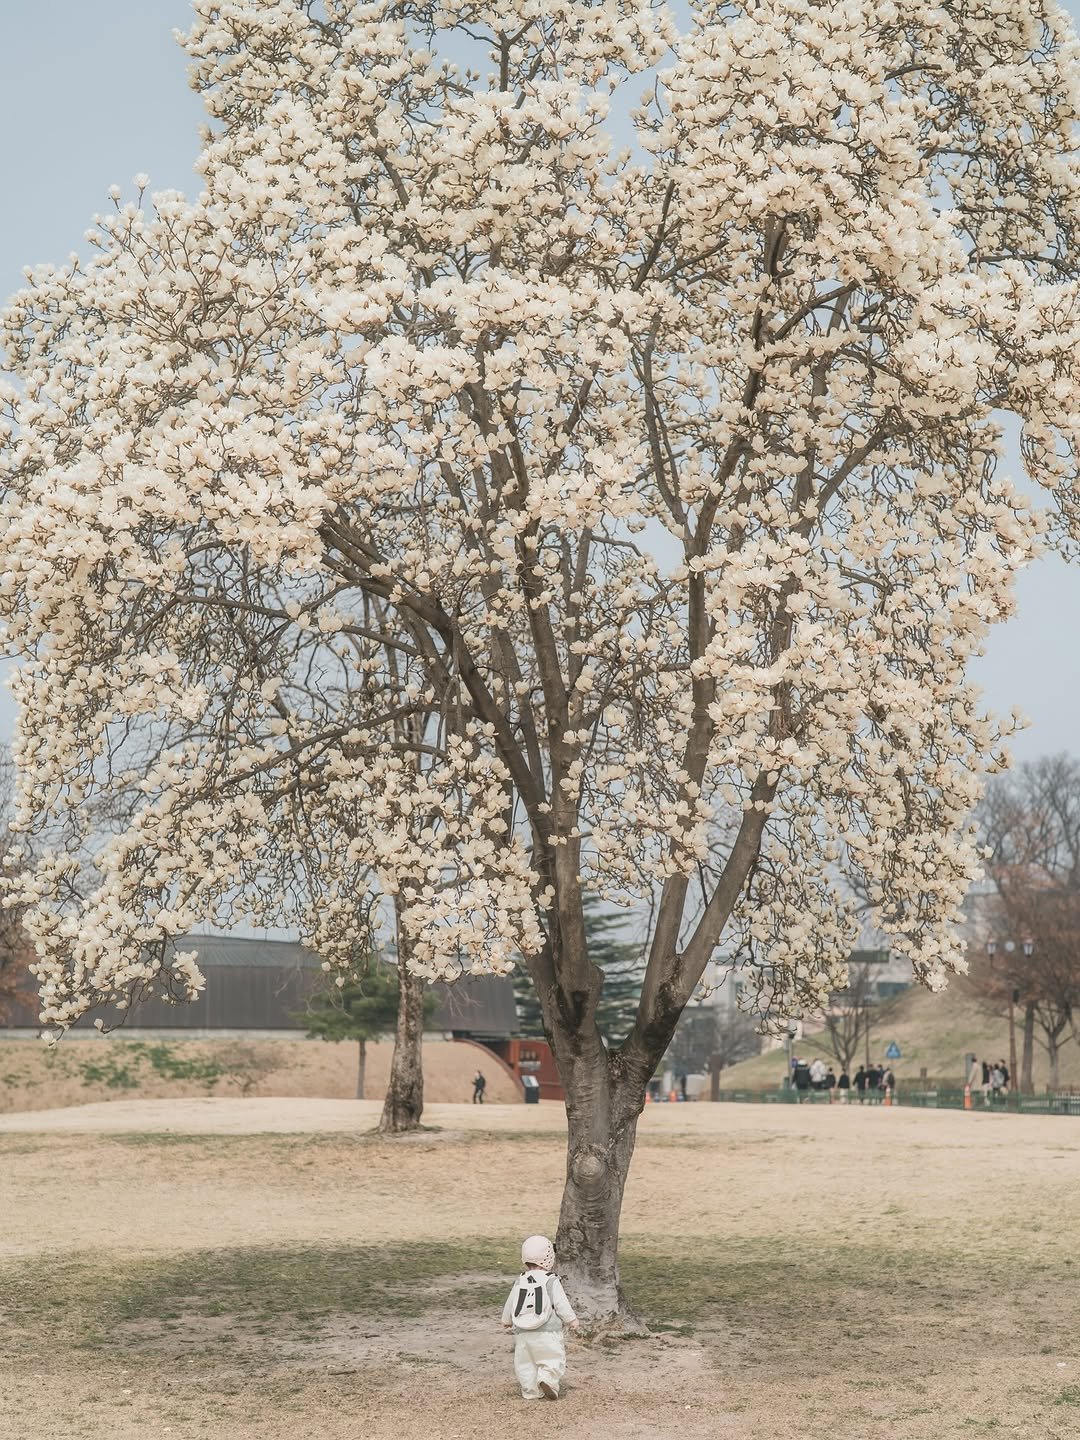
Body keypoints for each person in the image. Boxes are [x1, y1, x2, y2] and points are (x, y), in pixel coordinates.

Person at [502, 1235, 579, 1400]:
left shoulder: (520, 1280)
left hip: (522, 1333)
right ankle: (547, 1380)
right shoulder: (551, 1281)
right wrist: (571, 1320)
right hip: (547, 1332)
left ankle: (530, 1391)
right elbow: (561, 1304)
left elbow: (510, 1303)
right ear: (549, 1258)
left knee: (525, 1363)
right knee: (552, 1358)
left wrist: (506, 1320)